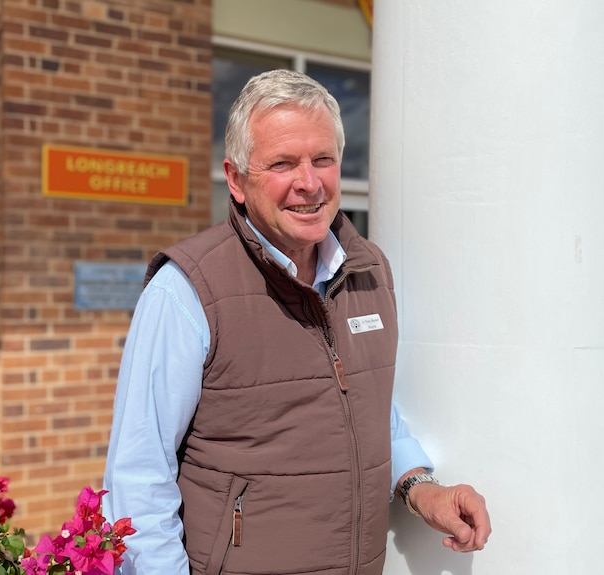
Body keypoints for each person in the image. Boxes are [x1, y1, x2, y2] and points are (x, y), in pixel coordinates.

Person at [103, 69, 490, 575]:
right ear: (237, 180)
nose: (309, 183)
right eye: (283, 163)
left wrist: (421, 488)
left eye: (323, 159)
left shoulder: (369, 271)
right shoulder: (185, 291)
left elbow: (368, 407)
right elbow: (138, 476)